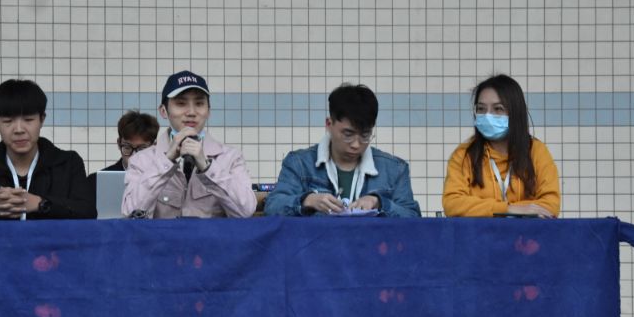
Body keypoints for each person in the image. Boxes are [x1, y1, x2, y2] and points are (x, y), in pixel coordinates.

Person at [0, 79, 96, 220]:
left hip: (51, 247)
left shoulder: (67, 163)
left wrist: (41, 204)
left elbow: (88, 211)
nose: (19, 129)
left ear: (42, 120)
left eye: (28, 119)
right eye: (8, 121)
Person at [264, 83, 422, 217]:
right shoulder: (299, 163)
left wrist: (379, 203)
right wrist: (308, 200)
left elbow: (413, 217)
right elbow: (272, 207)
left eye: (365, 135)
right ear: (329, 124)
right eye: (348, 134)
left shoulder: (395, 169)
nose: (356, 144)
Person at [122, 70, 256, 218]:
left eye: (199, 103)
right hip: (163, 235)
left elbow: (245, 211)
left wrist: (207, 167)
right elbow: (130, 213)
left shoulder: (230, 158)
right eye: (181, 103)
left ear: (208, 111)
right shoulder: (141, 160)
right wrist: (166, 161)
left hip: (210, 235)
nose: (191, 112)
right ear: (164, 111)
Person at [442, 74, 560, 218]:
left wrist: (484, 209)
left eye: (498, 109)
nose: (487, 116)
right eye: (481, 109)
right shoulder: (464, 155)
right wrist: (508, 209)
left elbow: (550, 205)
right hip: (478, 233)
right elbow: (452, 204)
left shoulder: (536, 151)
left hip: (526, 233)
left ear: (515, 113)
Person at [86, 110, 159, 192]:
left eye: (141, 149)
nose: (134, 156)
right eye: (127, 147)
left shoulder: (164, 180)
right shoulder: (95, 183)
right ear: (119, 143)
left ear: (154, 147)